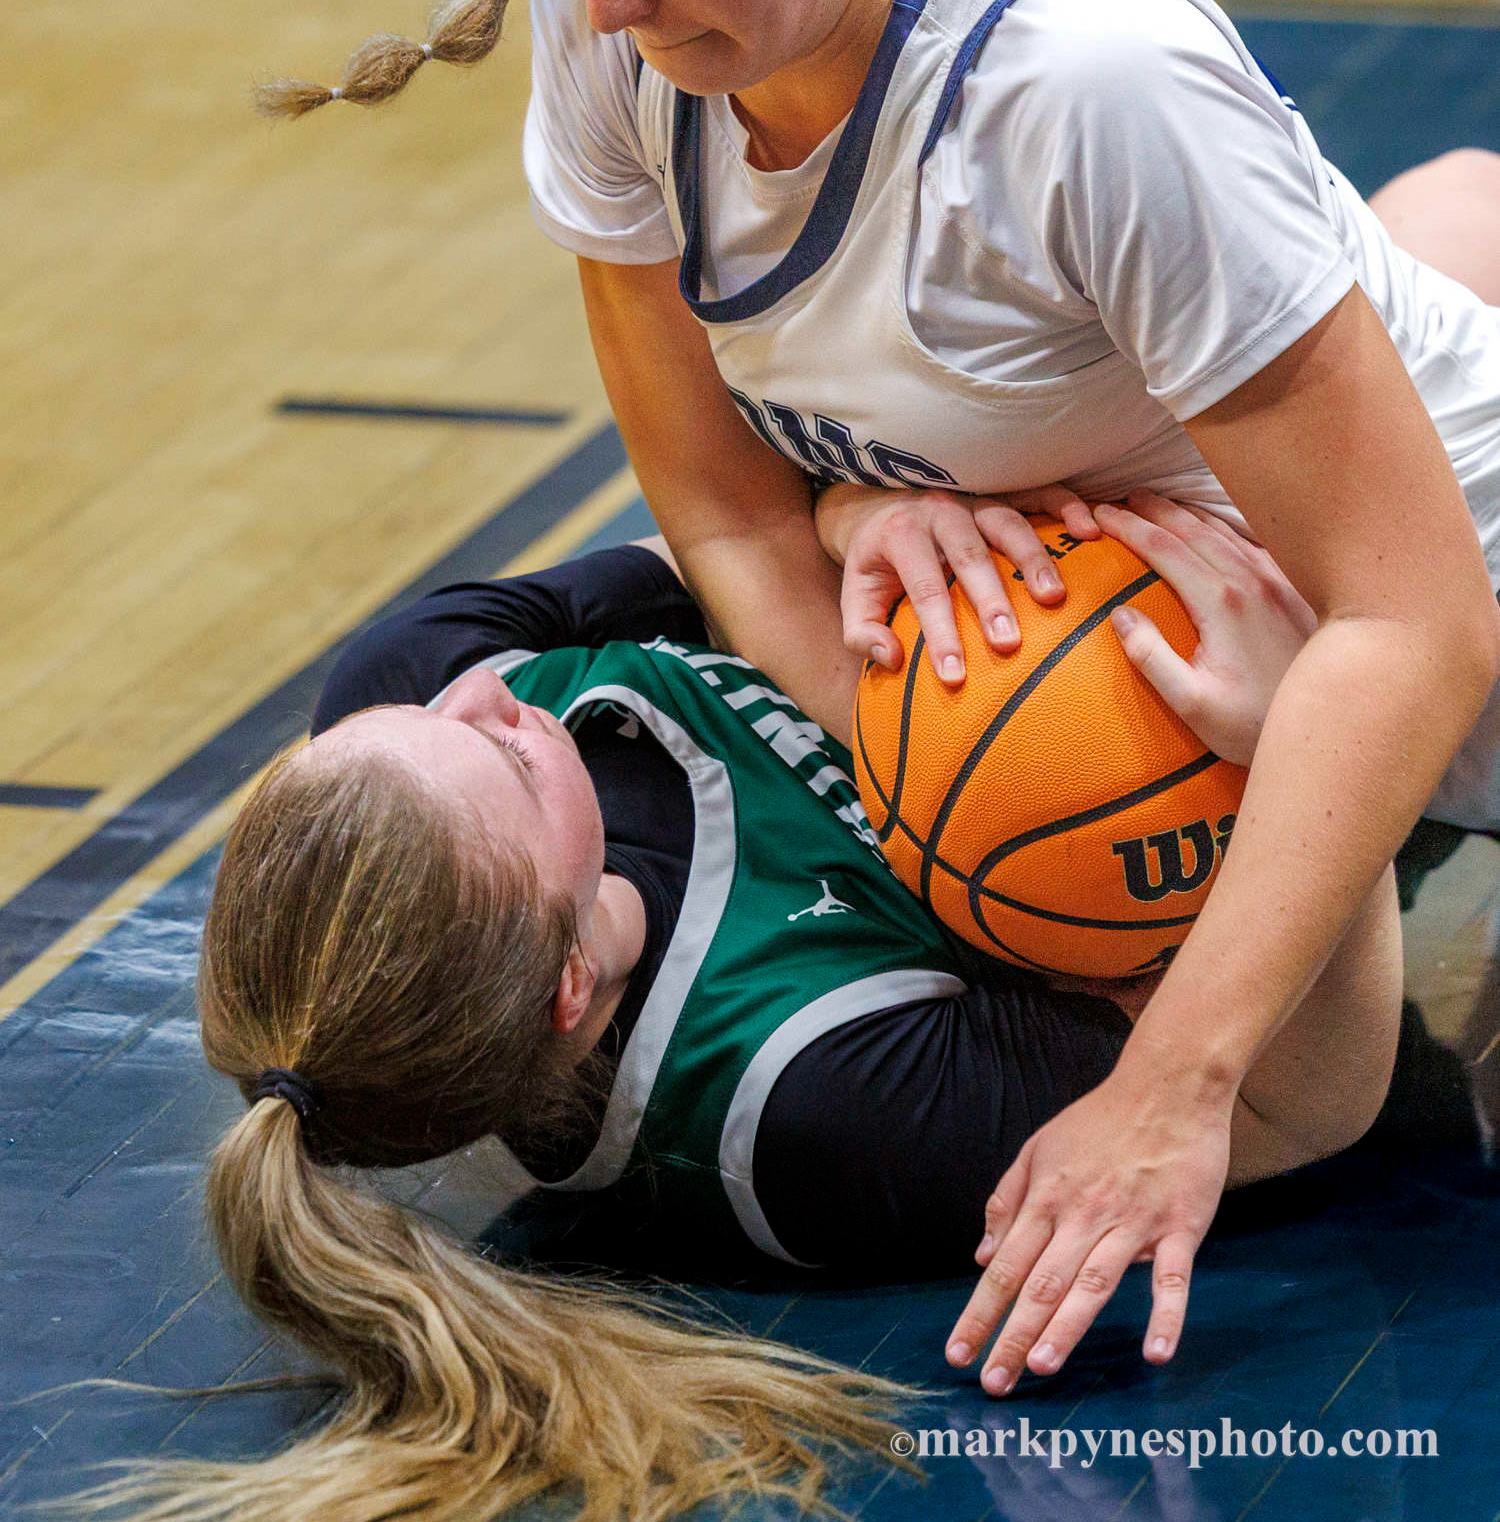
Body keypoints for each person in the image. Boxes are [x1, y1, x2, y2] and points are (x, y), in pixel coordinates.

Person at [256, 0, 1500, 1402]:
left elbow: (1415, 623)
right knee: (1451, 209)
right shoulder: (624, 47)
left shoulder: (1082, 84)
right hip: (1230, 574)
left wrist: (1171, 1086)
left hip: (1417, 607)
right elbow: (726, 508)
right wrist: (885, 620)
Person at [109, 499, 1393, 1522]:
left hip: (1068, 553)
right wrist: (1314, 734)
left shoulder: (418, 686)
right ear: (568, 984)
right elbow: (1297, 1093)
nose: (484, 698)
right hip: (1231, 725)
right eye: (502, 755)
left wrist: (863, 519)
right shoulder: (805, 1100)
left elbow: (712, 529)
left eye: (422, 719)